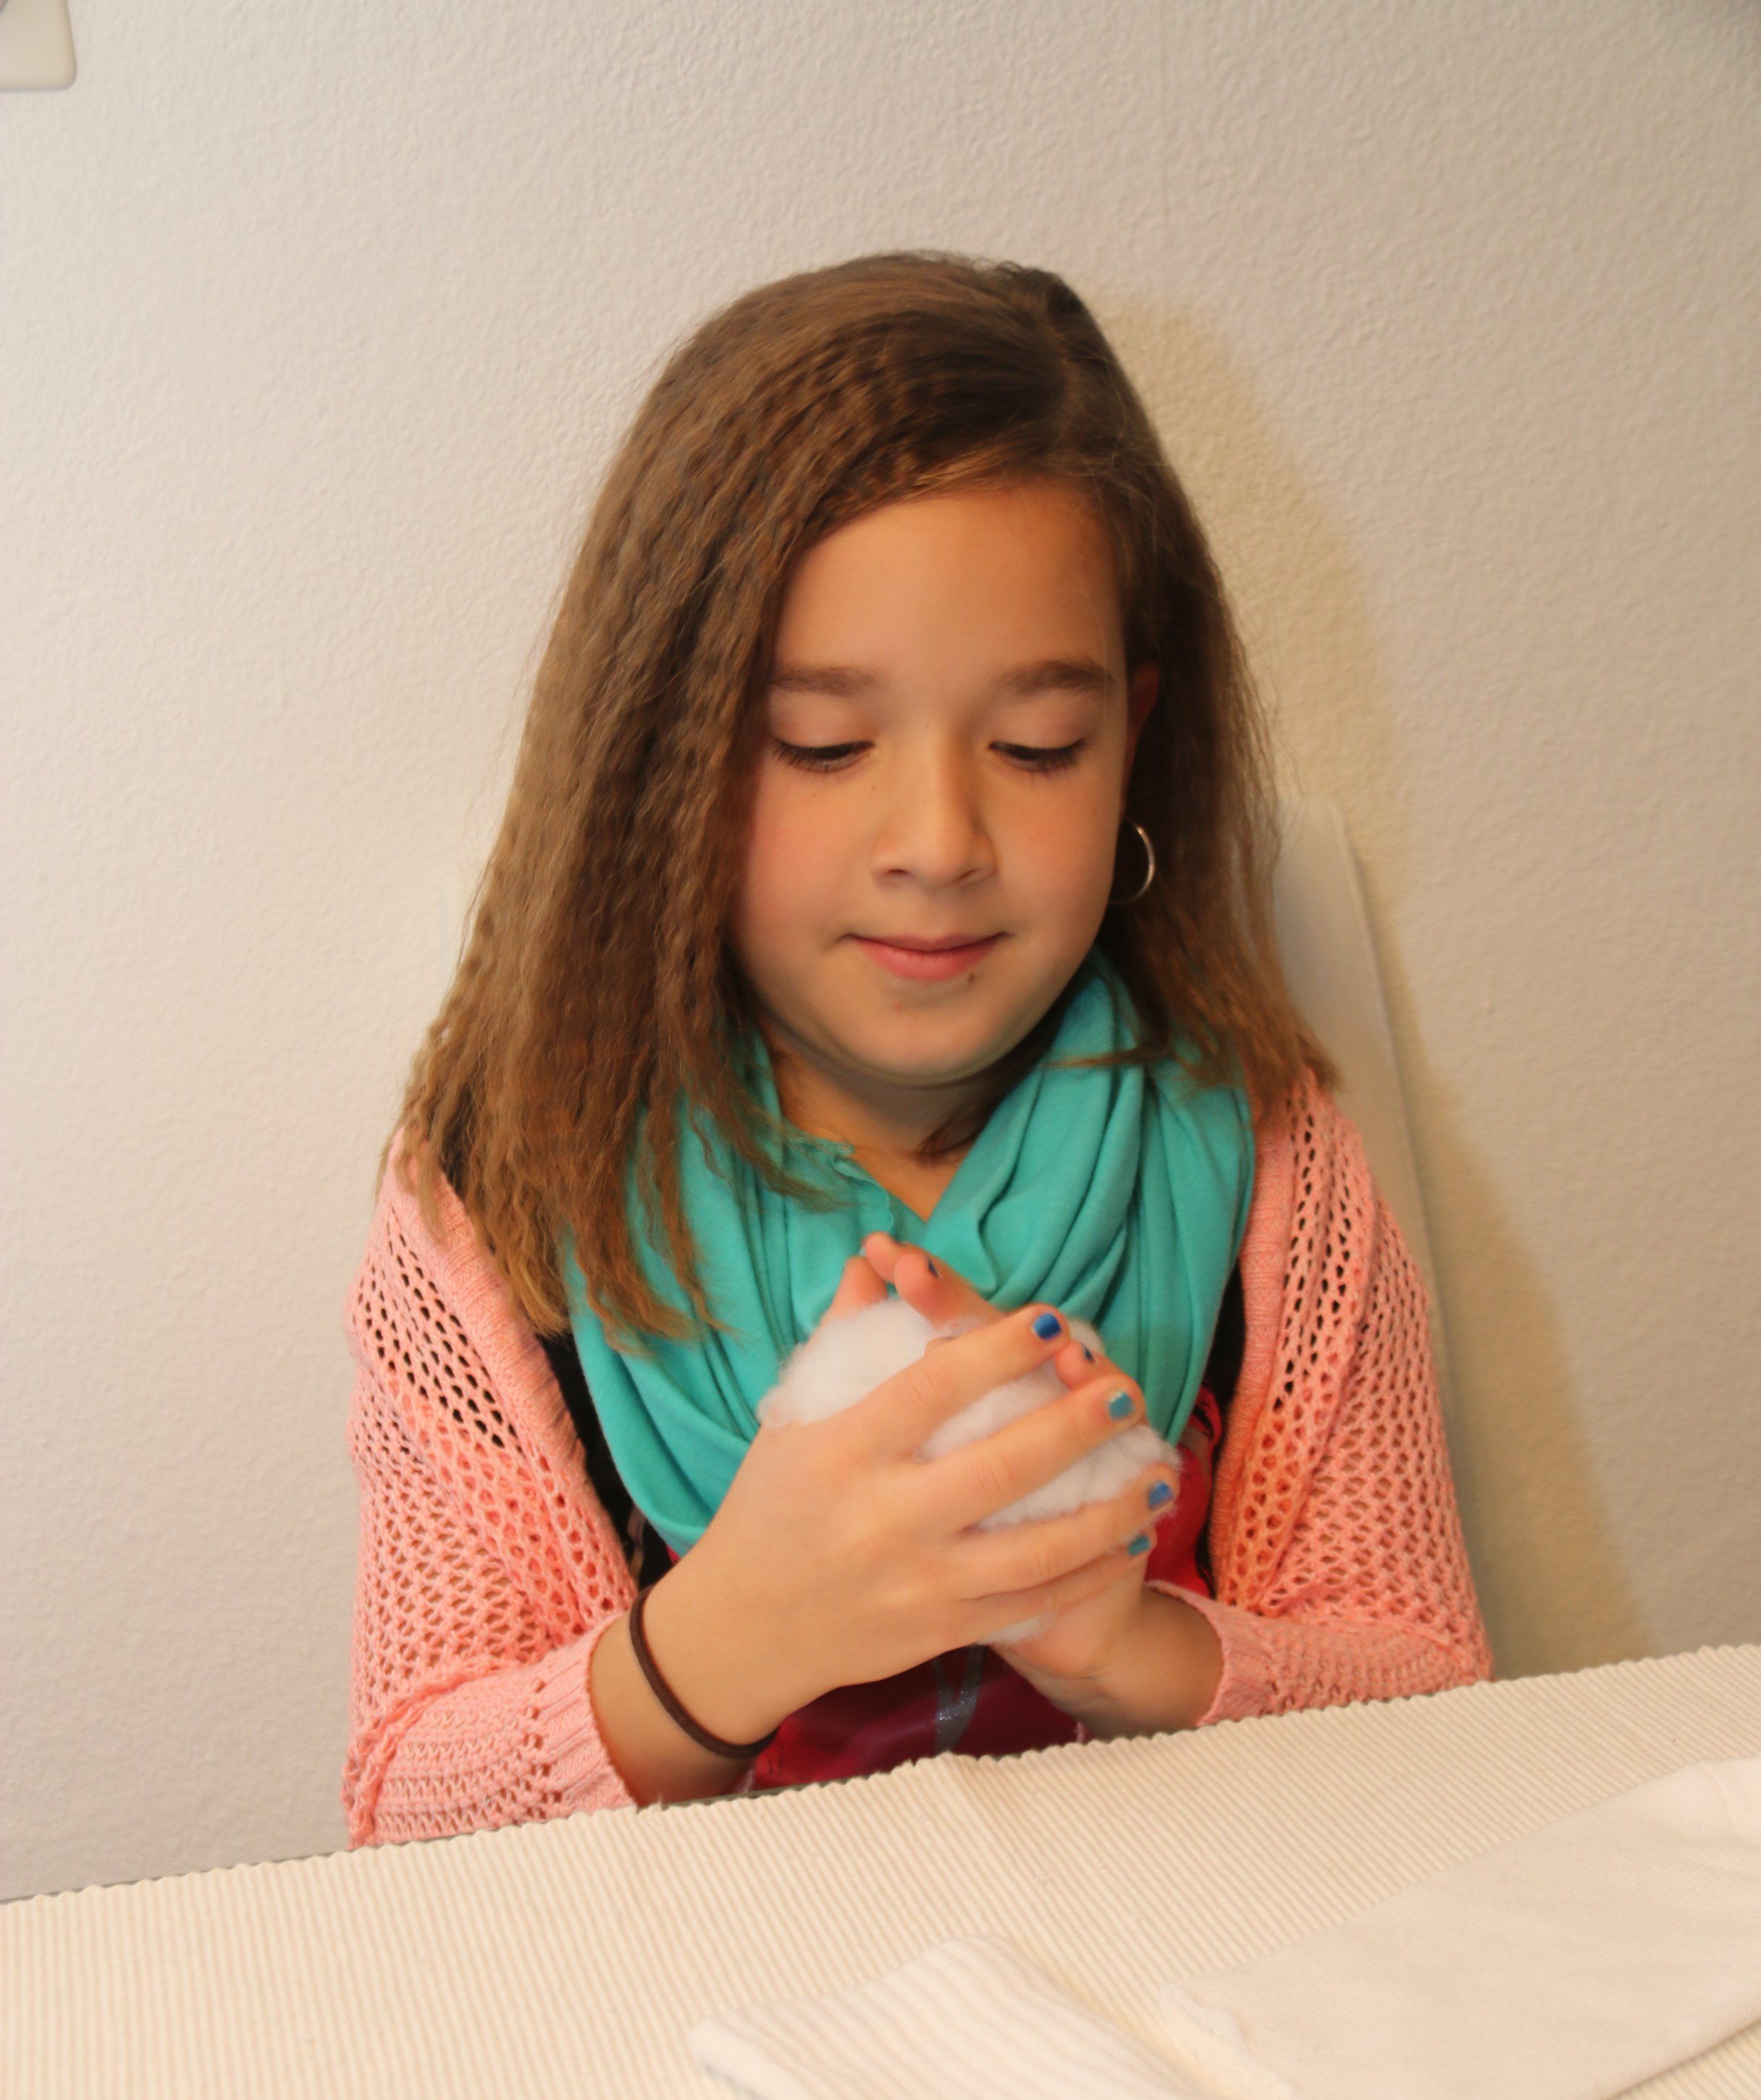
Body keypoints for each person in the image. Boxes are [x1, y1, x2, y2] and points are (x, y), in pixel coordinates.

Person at [343, 252, 1489, 1844]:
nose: (940, 843)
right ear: (663, 763)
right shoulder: (505, 1196)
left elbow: (1435, 1694)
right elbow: (406, 1814)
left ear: (1134, 738)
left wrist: (1125, 1648)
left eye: (1037, 746)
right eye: (821, 745)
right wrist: (726, 1642)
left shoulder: (1268, 1156)